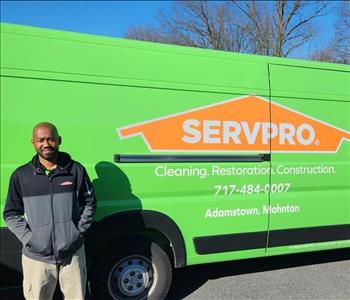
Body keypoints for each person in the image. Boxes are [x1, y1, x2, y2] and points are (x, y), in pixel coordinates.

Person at [3, 122, 96, 300]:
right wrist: (30, 239)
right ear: (33, 142)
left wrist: (76, 233)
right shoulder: (21, 176)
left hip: (72, 255)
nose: (46, 144)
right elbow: (11, 213)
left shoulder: (76, 171)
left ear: (59, 140)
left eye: (50, 139)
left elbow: (90, 203)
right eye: (40, 140)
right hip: (36, 258)